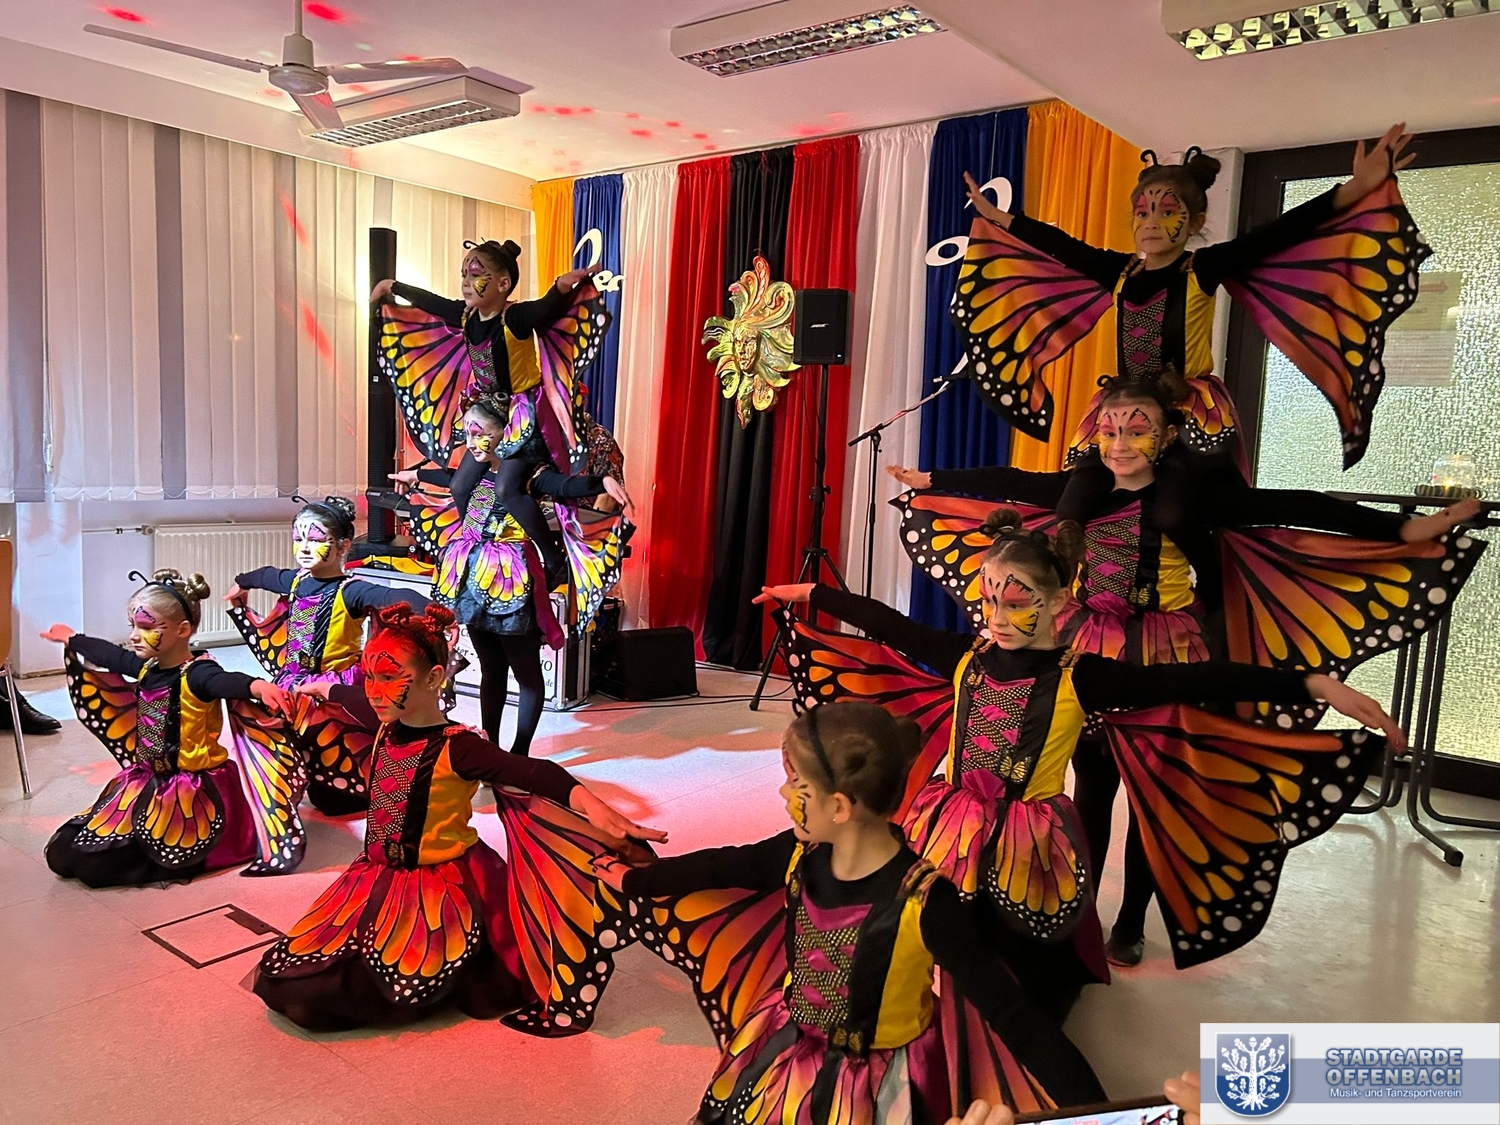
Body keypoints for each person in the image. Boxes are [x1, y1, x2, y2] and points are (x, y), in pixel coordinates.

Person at [886, 372, 1479, 967]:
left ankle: (1131, 921)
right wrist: (934, 479)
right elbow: (1012, 480)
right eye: (1109, 431)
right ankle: (1081, 913)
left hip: (1163, 649)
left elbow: (1297, 505)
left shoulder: (1188, 496)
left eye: (1136, 431)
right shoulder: (1083, 490)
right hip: (1091, 641)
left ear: (1167, 436)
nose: (1119, 444)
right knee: (1091, 788)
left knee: (1153, 788)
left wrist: (1401, 529)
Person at [761, 507, 1400, 1010]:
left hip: (1028, 834)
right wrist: (811, 592)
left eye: (1017, 603)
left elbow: (1191, 679)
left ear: (1059, 603)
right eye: (988, 600)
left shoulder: (1083, 675)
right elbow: (886, 621)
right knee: (935, 922)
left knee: (1024, 956)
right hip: (952, 817)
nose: (997, 617)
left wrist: (1314, 685)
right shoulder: (965, 655)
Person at [596, 701, 1107, 1124]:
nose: (783, 793)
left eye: (796, 783)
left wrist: (1106, 1115)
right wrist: (635, 879)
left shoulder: (926, 902)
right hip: (789, 1049)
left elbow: (1014, 1015)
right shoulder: (799, 855)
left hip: (883, 1088)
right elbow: (723, 865)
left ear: (839, 806)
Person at [252, 602, 665, 1032]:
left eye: (389, 678)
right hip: (375, 875)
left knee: (327, 995)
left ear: (434, 678)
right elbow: (340, 692)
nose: (373, 690)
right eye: (369, 676)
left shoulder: (460, 748)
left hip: (440, 887)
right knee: (291, 980)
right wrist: (300, 688)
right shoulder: (384, 719)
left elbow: (534, 772)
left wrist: (596, 808)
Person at [955, 124, 1427, 471]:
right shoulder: (1120, 271)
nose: (1151, 223)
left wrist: (1356, 188)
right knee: (1079, 486)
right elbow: (1061, 245)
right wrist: (1000, 218)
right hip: (1126, 408)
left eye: (1167, 212)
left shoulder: (1201, 268)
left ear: (1195, 222)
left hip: (1188, 407)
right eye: (1142, 212)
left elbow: (1279, 232)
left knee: (1179, 509)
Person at [390, 395, 633, 756]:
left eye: (480, 434)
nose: (471, 443)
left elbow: (562, 485)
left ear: (507, 434)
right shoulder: (474, 474)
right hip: (473, 577)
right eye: (468, 434)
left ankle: (519, 753)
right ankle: (491, 747)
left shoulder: (527, 477)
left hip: (511, 581)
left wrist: (602, 483)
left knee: (526, 672)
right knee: (491, 669)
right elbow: (452, 477)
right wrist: (415, 474)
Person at [39, 569, 294, 887]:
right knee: (64, 852)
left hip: (191, 792)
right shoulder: (146, 667)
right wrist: (72, 638)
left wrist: (257, 686)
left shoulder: (198, 674)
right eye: (132, 626)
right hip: (146, 781)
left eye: (147, 627)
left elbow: (225, 681)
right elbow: (112, 656)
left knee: (95, 866)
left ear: (182, 629)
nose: (135, 636)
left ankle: (182, 854)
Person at [371, 240, 599, 590]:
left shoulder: (515, 318)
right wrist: (394, 286)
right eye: (464, 274)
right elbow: (433, 302)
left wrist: (562, 286)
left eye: (476, 275)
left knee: (507, 489)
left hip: (524, 416)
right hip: (490, 413)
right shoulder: (467, 316)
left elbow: (546, 308)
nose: (466, 282)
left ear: (503, 284)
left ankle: (553, 557)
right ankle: (478, 543)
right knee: (461, 485)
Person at [225, 496, 430, 821]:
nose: (305, 548)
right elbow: (265, 575)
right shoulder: (295, 582)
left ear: (343, 546)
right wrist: (241, 583)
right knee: (279, 736)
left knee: (334, 787)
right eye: (299, 539)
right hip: (293, 678)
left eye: (316, 540)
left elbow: (394, 596)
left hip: (334, 687)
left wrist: (433, 612)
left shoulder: (351, 591)